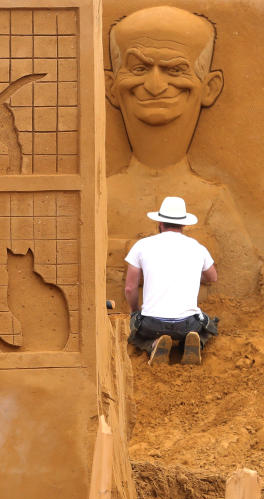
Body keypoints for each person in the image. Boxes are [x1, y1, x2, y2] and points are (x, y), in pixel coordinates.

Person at [104, 6, 260, 301]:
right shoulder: (99, 198)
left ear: (210, 88)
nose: (154, 85)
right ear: (111, 87)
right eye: (138, 68)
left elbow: (240, 285)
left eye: (175, 69)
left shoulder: (216, 204)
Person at [124, 196, 218, 365]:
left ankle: (154, 344)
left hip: (152, 323)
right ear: (183, 225)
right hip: (188, 323)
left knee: (131, 330)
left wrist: (134, 310)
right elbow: (212, 277)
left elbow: (130, 288)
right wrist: (196, 274)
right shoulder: (197, 247)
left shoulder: (141, 245)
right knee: (211, 324)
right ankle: (192, 342)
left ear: (160, 223)